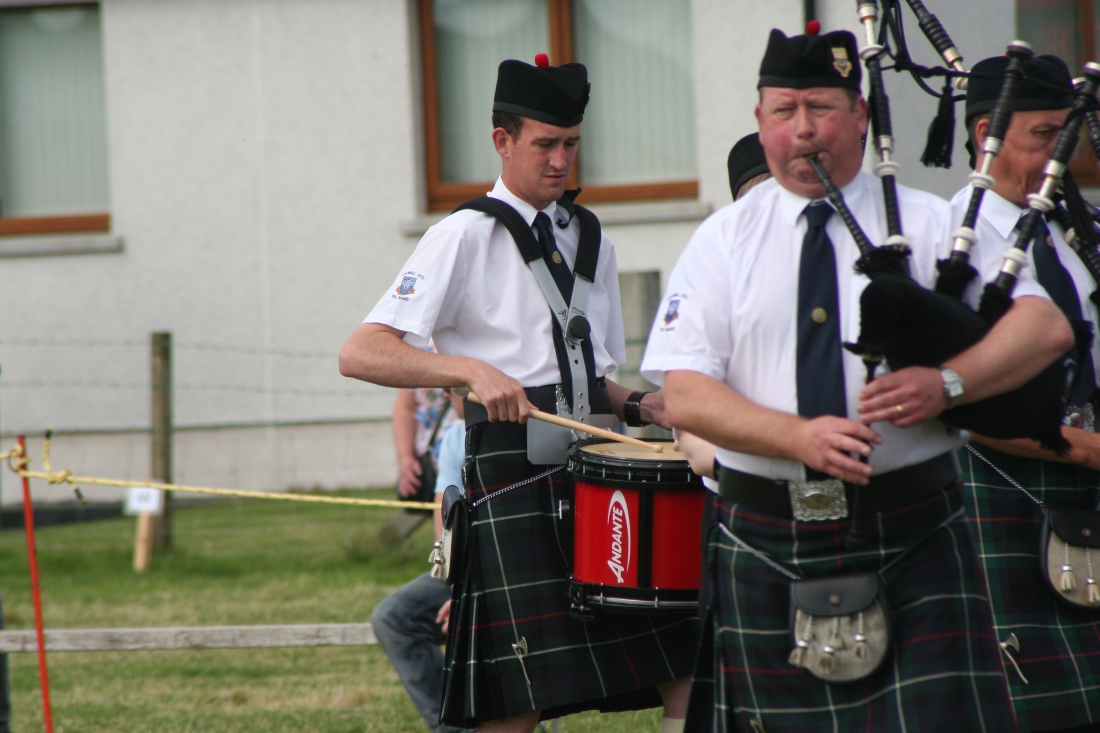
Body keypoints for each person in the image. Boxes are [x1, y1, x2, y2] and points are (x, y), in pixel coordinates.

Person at [640, 26, 1073, 731]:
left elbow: (1043, 326)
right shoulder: (721, 240)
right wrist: (797, 437)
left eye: (821, 107)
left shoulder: (929, 222)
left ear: (861, 115)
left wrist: (947, 383)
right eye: (784, 111)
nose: (803, 128)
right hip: (761, 536)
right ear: (760, 120)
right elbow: (686, 393)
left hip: (912, 528)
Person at [340, 56, 694, 733]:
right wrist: (469, 371)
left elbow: (590, 378)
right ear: (502, 141)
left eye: (572, 144)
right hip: (511, 478)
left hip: (597, 476)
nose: (561, 161)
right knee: (515, 701)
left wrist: (640, 405)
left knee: (683, 664)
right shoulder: (460, 236)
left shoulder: (591, 239)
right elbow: (361, 351)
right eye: (545, 144)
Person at [954, 54, 1100, 733]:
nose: (1061, 155)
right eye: (1045, 135)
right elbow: (956, 401)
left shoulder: (1083, 233)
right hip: (1005, 489)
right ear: (988, 134)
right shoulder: (948, 243)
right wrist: (1086, 449)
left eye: (1068, 135)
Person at [373, 392, 469, 733]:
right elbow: (445, 512)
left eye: (453, 385)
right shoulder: (454, 437)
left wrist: (467, 598)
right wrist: (455, 582)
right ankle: (454, 726)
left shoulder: (517, 434)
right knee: (393, 617)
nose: (444, 391)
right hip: (467, 572)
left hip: (510, 575)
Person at [393, 343, 462, 502]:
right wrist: (405, 456)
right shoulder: (418, 353)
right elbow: (405, 407)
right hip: (431, 456)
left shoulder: (476, 347)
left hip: (465, 453)